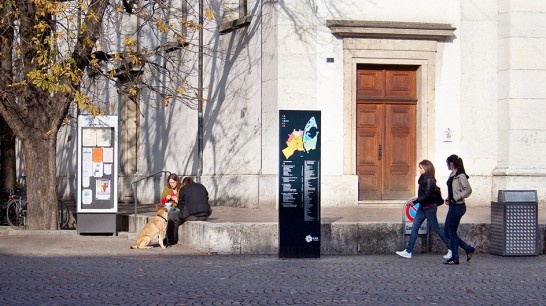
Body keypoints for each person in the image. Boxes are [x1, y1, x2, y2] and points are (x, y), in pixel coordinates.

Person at [396, 160, 450, 259]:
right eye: (419, 167)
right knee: (414, 227)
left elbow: (426, 196)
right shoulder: (423, 178)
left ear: (426, 168)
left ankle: (451, 248)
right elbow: (423, 195)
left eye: (421, 168)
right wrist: (418, 202)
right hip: (422, 207)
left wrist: (415, 202)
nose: (419, 170)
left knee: (437, 229)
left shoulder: (430, 180)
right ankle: (408, 251)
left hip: (429, 207)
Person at [443, 154, 475, 265]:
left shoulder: (460, 175)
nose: (446, 165)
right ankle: (467, 248)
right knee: (448, 231)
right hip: (452, 206)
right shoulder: (452, 175)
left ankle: (455, 258)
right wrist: (449, 198)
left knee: (451, 232)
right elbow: (453, 191)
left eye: (447, 163)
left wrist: (455, 198)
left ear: (451, 163)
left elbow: (468, 190)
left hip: (458, 207)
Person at [165, 176, 212, 246]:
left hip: (192, 215)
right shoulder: (201, 186)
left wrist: (176, 209)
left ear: (184, 183)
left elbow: (180, 206)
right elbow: (206, 198)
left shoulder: (183, 189)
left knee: (171, 216)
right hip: (204, 214)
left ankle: (170, 240)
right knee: (178, 220)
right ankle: (174, 238)